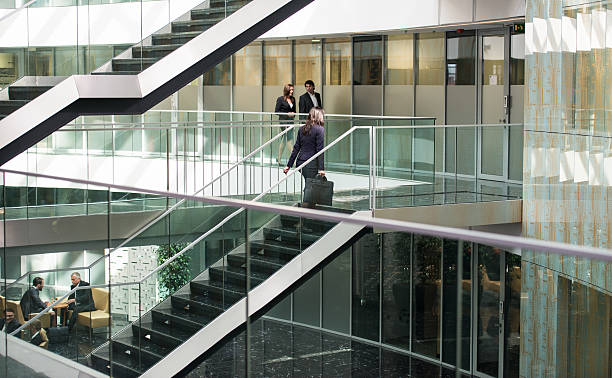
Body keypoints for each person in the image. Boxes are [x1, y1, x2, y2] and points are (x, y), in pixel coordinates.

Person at [284, 107, 326, 180]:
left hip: (300, 162)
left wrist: (289, 165)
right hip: (311, 163)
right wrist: (321, 168)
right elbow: (320, 150)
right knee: (310, 186)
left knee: (309, 184)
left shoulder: (302, 128)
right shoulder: (320, 129)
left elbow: (296, 147)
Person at [275, 83, 296, 165]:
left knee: (284, 140)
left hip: (291, 121)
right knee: (289, 140)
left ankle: (279, 158)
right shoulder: (280, 99)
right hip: (283, 121)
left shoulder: (293, 99)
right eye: (290, 90)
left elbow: (295, 111)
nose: (292, 91)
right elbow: (276, 111)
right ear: (286, 90)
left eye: (292, 90)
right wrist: (287, 113)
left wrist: (293, 114)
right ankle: (294, 161)